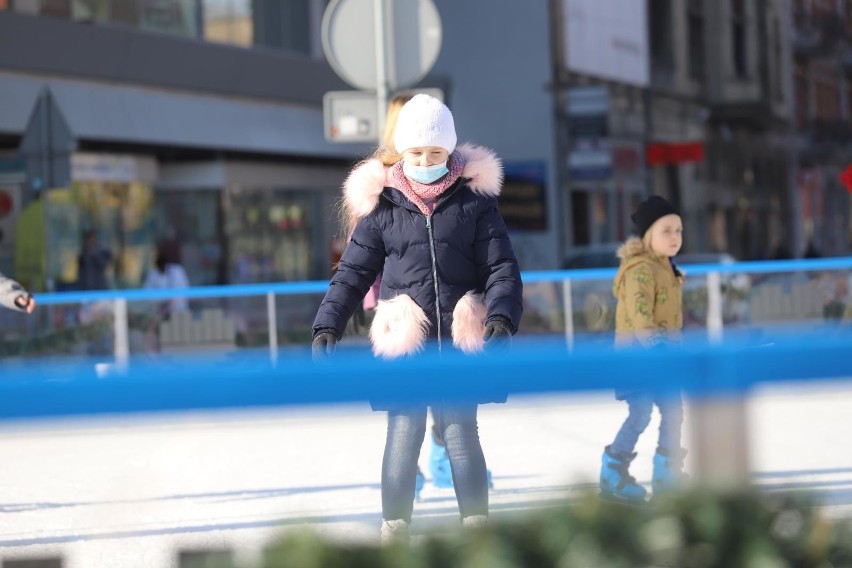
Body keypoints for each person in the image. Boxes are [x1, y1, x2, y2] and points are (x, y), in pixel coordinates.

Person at [311, 94, 523, 542]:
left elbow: (501, 267)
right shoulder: (383, 208)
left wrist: (501, 317)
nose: (425, 161)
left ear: (449, 152)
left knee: (461, 432)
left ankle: (477, 527)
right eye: (416, 153)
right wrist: (327, 323)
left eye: (435, 153)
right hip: (405, 340)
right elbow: (352, 273)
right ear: (401, 153)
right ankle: (395, 527)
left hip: (460, 338)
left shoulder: (474, 204)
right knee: (403, 433)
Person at [600, 195, 687, 504]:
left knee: (674, 411)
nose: (675, 237)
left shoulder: (667, 267)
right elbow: (641, 318)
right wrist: (659, 347)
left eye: (678, 230)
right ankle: (612, 471)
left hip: (663, 357)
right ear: (649, 234)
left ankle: (667, 473)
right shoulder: (640, 270)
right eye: (667, 230)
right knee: (640, 414)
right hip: (636, 358)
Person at [143, 241, 191, 317]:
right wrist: (160, 301)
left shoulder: (177, 271)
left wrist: (171, 303)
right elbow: (147, 292)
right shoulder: (153, 273)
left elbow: (184, 290)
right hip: (159, 311)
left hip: (178, 311)